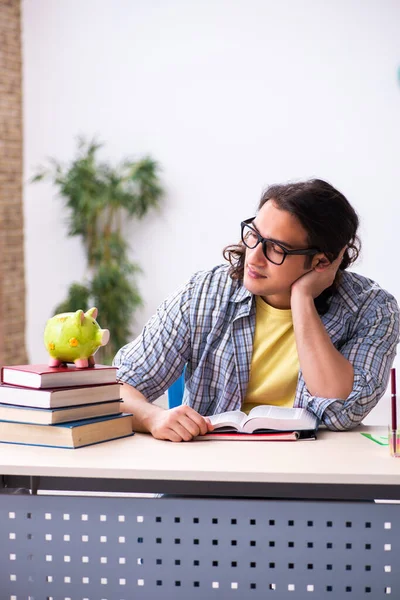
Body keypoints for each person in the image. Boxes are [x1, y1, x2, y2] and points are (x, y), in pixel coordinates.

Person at [113, 179, 399, 441]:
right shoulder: (204, 294)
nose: (254, 256)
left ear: (321, 262)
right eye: (254, 235)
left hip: (314, 476)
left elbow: (342, 412)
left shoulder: (372, 310)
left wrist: (301, 298)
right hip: (212, 473)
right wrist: (153, 417)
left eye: (277, 248)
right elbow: (117, 386)